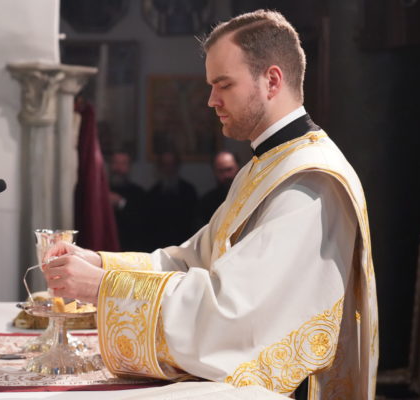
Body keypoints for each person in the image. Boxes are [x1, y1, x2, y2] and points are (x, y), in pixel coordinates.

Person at [42, 9, 378, 399]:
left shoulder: (309, 179)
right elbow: (194, 258)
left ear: (272, 80)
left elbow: (236, 314)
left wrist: (105, 288)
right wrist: (101, 264)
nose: (211, 100)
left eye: (224, 85)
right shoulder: (265, 166)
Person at [145, 151, 198, 249]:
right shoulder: (152, 194)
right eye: (165, 165)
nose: (169, 169)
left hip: (184, 246)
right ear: (160, 168)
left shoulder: (189, 191)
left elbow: (194, 223)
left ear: (177, 166)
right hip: (159, 247)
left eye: (172, 165)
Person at [108, 151, 147, 251]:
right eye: (115, 162)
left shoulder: (138, 193)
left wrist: (121, 203)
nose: (118, 168)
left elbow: (141, 223)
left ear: (129, 167)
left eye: (123, 163)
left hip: (130, 248)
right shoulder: (100, 191)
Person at [194, 150, 240, 227]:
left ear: (238, 167)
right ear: (214, 172)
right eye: (221, 171)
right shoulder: (206, 201)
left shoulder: (250, 194)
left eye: (229, 169)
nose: (226, 175)